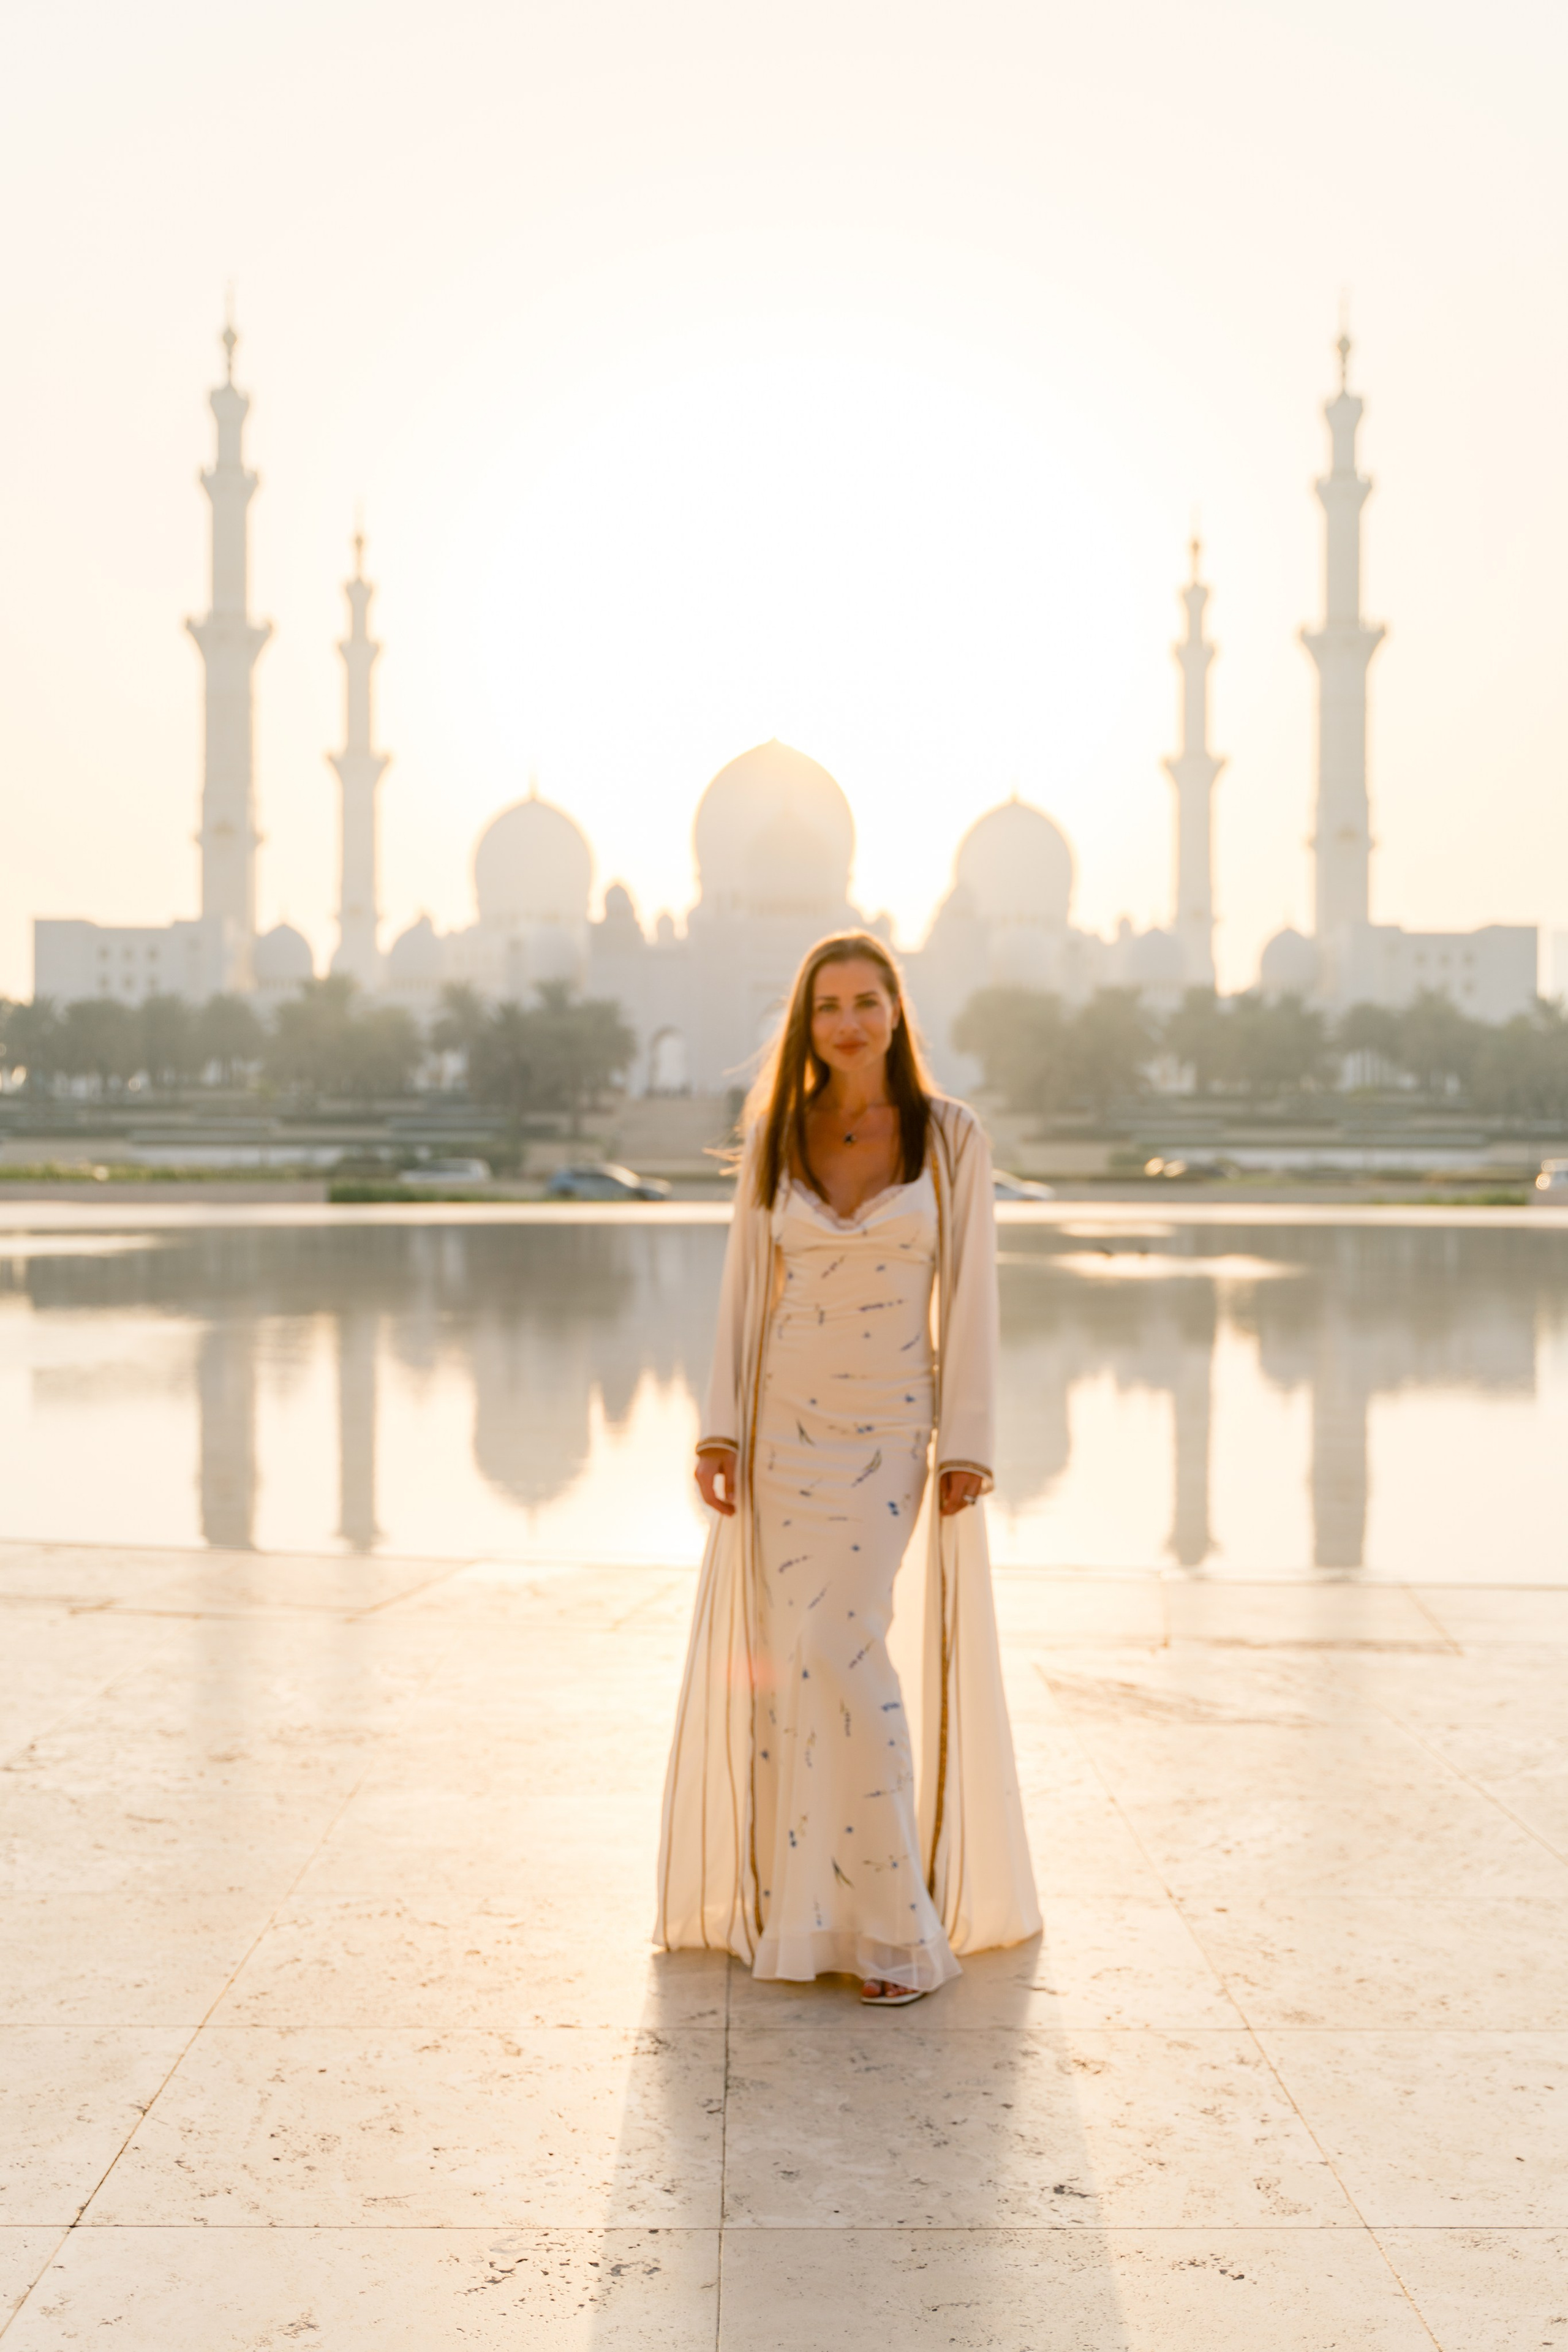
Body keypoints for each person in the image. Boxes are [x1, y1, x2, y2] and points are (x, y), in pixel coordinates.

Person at [656, 931, 1039, 2005]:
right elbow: (744, 1289)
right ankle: (812, 1918)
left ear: (899, 1012)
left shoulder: (950, 1137)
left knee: (841, 1645)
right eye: (829, 1005)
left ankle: (900, 1931)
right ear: (805, 1021)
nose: (849, 1023)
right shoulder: (783, 1133)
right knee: (799, 1667)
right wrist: (719, 1428)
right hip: (784, 1433)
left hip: (886, 1433)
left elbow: (970, 1299)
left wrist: (966, 1445)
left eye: (869, 1001)